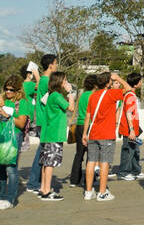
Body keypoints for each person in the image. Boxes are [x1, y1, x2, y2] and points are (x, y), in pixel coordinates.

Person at [83, 70, 132, 201]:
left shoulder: (92, 96)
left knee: (91, 161)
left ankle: (88, 191)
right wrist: (119, 78)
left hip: (93, 133)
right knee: (105, 162)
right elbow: (129, 89)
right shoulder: (111, 94)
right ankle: (102, 192)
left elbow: (88, 115)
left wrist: (85, 133)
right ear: (108, 82)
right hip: (106, 133)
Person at [25, 53, 56, 194]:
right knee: (43, 153)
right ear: (50, 65)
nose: (56, 66)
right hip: (45, 121)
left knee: (42, 152)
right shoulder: (45, 80)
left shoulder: (44, 80)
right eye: (55, 63)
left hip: (44, 121)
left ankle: (36, 182)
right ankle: (33, 183)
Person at [40, 70, 73, 201]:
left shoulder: (51, 95)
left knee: (45, 162)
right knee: (50, 163)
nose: (66, 82)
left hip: (48, 133)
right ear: (59, 81)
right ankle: (47, 191)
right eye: (64, 80)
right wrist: (70, 92)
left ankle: (43, 188)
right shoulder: (56, 96)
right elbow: (70, 107)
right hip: (54, 134)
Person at [0, 75, 29, 209]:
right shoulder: (2, 100)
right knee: (0, 168)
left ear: (18, 90)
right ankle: (1, 197)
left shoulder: (22, 103)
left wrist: (7, 116)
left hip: (14, 137)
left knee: (11, 169)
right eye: (6, 89)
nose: (8, 92)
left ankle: (10, 198)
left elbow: (21, 123)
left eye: (11, 90)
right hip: (1, 137)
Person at [69, 74, 96, 188]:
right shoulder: (94, 96)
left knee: (79, 154)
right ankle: (88, 179)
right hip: (89, 125)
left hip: (79, 125)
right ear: (95, 84)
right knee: (92, 155)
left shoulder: (82, 95)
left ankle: (74, 180)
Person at [118, 72, 144, 180]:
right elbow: (129, 113)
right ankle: (123, 172)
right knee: (128, 150)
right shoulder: (130, 96)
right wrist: (132, 130)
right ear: (135, 84)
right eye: (140, 81)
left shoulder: (131, 95)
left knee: (135, 149)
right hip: (129, 128)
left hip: (133, 127)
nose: (141, 83)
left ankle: (135, 170)